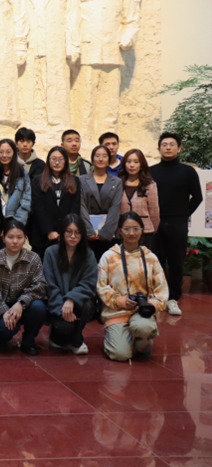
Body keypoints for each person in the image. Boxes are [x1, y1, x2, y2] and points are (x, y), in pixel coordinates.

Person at [98, 212, 169, 362]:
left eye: (136, 229)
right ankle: (118, 338)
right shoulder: (108, 257)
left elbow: (162, 289)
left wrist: (152, 304)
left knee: (144, 327)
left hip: (142, 311)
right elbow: (101, 287)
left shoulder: (150, 258)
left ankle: (143, 344)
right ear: (120, 231)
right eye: (127, 229)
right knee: (120, 355)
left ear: (142, 230)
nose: (132, 233)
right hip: (116, 312)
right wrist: (120, 301)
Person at [150, 132, 202, 317]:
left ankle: (173, 299)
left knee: (176, 262)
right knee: (156, 261)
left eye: (172, 144)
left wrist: (183, 215)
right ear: (159, 149)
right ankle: (157, 297)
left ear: (179, 148)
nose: (168, 147)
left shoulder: (187, 171)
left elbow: (198, 197)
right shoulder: (151, 171)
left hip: (177, 223)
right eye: (164, 144)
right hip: (155, 223)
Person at [0, 220, 47, 355]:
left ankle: (28, 342)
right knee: (6, 328)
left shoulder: (33, 258)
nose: (15, 241)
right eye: (10, 237)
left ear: (25, 239)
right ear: (3, 238)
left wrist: (21, 303)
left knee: (39, 308)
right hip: (0, 305)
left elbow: (40, 285)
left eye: (19, 237)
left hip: (24, 305)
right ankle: (1, 339)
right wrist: (4, 311)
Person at [44, 215, 97, 355]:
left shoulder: (88, 254)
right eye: (69, 232)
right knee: (64, 327)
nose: (73, 236)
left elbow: (89, 283)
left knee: (87, 305)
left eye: (77, 232)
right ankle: (56, 336)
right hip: (57, 304)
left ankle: (76, 340)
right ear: (62, 233)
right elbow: (49, 285)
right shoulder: (50, 253)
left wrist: (71, 299)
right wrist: (62, 308)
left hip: (77, 303)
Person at [0, 139, 32, 256]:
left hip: (16, 230)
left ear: (14, 153)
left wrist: (14, 226)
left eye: (8, 152)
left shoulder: (22, 174)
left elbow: (25, 202)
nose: (4, 155)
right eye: (1, 152)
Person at [30, 146, 82, 258]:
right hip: (42, 235)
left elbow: (75, 207)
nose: (57, 162)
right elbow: (38, 207)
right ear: (48, 161)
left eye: (61, 159)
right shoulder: (38, 180)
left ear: (66, 161)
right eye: (53, 159)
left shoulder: (74, 180)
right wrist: (49, 231)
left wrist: (67, 231)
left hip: (67, 236)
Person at [79, 145, 124, 260]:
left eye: (104, 156)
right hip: (88, 233)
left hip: (108, 234)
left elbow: (115, 208)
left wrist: (106, 232)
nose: (101, 159)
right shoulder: (82, 180)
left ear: (109, 159)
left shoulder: (117, 181)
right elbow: (81, 206)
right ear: (92, 159)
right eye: (97, 156)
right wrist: (88, 231)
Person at [119, 149, 159, 251]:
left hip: (145, 231)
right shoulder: (118, 183)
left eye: (136, 162)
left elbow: (154, 211)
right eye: (129, 162)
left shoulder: (149, 185)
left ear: (141, 165)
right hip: (123, 231)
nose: (132, 165)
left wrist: (153, 229)